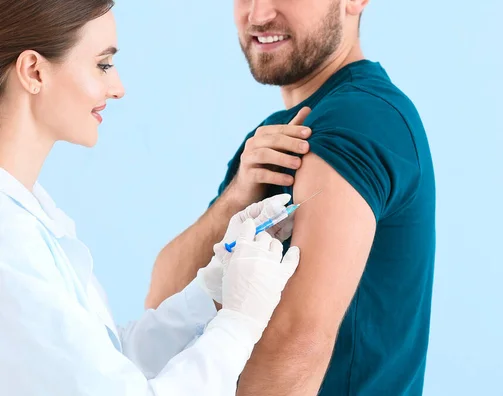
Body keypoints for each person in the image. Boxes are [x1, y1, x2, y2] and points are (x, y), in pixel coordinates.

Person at [0, 1, 304, 395]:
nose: (118, 88)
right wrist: (238, 324)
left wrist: (213, 288)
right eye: (103, 64)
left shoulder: (32, 213)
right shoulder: (10, 242)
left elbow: (110, 359)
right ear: (34, 71)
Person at [147, 0, 436, 395]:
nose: (259, 13)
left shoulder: (358, 119)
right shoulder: (274, 136)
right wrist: (234, 199)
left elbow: (295, 346)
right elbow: (162, 320)